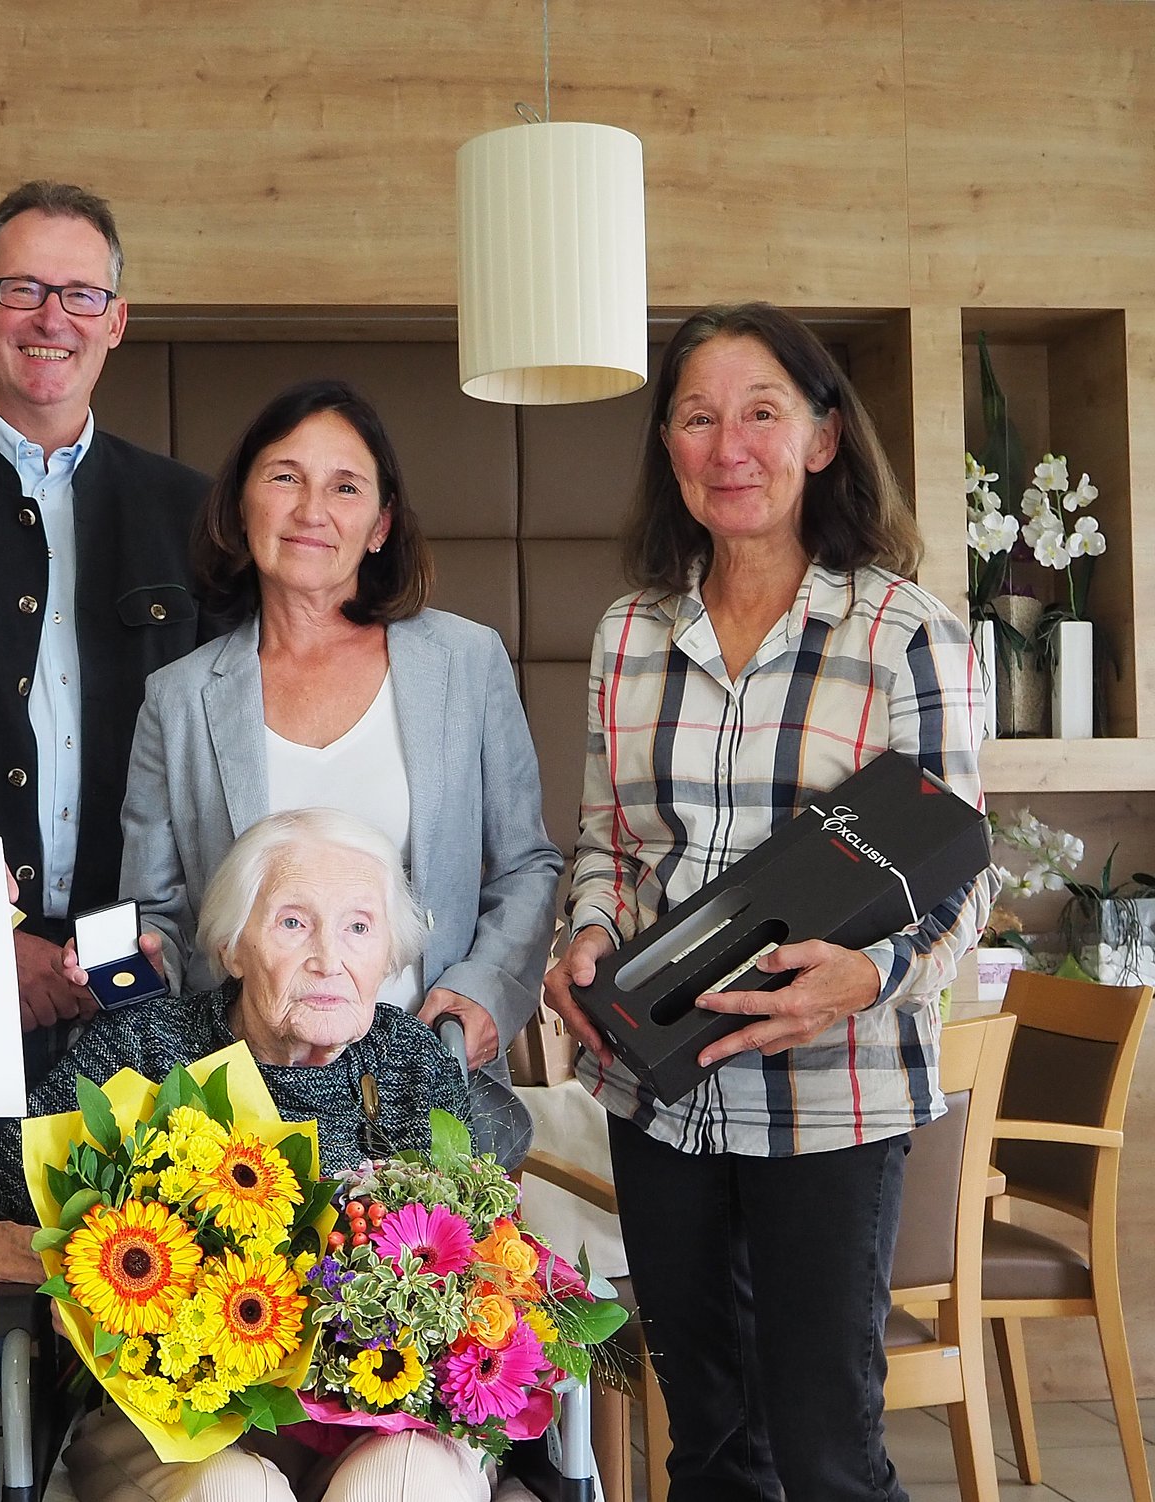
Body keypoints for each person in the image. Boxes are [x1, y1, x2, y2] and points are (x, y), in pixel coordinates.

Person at [539, 302, 991, 1500]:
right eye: (695, 416)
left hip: (831, 1094)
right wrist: (585, 928)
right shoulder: (626, 634)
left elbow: (962, 865)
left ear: (822, 439)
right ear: (667, 448)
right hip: (660, 1092)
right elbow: (606, 841)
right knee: (712, 1449)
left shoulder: (902, 630)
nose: (726, 444)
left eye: (759, 412)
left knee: (825, 1453)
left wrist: (874, 974)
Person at [0, 179, 209, 1502]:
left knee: (155, 1307)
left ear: (119, 322)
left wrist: (86, 965)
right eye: (22, 287)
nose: (48, 317)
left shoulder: (194, 512)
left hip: (144, 976)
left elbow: (207, 775)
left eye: (79, 293)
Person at [0, 808, 540, 1502]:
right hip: (172, 1424)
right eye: (293, 923)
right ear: (232, 947)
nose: (329, 958)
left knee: (403, 1483)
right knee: (233, 1490)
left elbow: (476, 1257)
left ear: (390, 955)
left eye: (359, 927)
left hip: (385, 1421)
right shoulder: (145, 1053)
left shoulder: (412, 1063)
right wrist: (88, 1263)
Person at [108, 378, 561, 1166]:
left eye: (344, 486)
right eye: (285, 477)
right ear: (240, 506)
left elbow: (526, 863)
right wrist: (141, 961)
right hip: (237, 1113)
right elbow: (154, 911)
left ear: (380, 524)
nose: (311, 509)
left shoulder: (465, 661)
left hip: (430, 1085)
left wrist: (485, 992)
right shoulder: (178, 701)